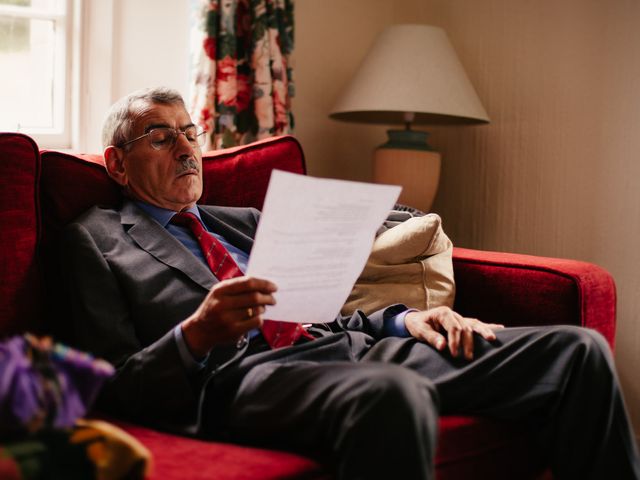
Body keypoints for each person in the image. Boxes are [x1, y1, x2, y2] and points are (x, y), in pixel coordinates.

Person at [62, 86, 640, 480]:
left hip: (345, 348)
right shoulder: (96, 238)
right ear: (117, 164)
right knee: (391, 391)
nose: (187, 148)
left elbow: (319, 311)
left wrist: (406, 318)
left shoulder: (244, 220)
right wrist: (197, 335)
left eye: (190, 133)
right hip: (239, 378)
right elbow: (108, 385)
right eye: (161, 138)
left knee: (575, 351)